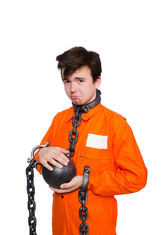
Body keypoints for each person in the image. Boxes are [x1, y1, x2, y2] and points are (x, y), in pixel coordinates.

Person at [33, 46, 148, 234]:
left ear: (97, 81)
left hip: (96, 227)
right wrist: (41, 153)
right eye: (67, 81)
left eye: (80, 80)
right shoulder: (60, 120)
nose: (72, 89)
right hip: (61, 227)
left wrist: (87, 181)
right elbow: (41, 160)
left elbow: (136, 178)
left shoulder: (115, 124)